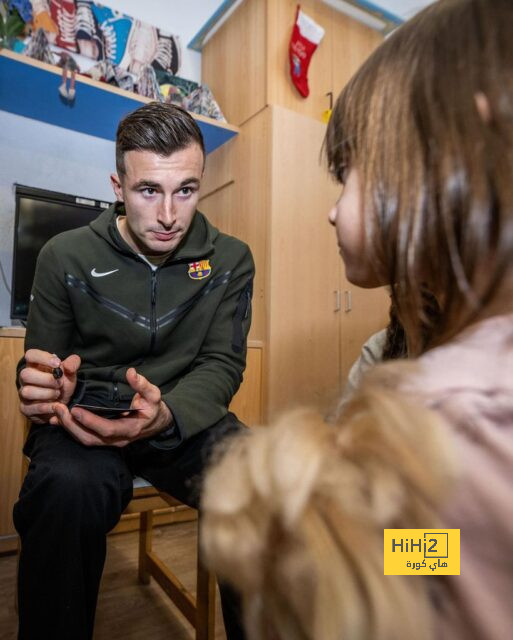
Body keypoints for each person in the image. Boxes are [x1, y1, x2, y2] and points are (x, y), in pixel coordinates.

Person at [200, 1, 513, 639]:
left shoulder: (456, 414)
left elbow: (437, 556)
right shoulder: (396, 356)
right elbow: (458, 551)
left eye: (347, 175)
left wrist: (326, 531)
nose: (332, 213)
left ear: (450, 154)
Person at [14, 102, 254, 640]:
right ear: (118, 186)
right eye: (149, 190)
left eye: (186, 190)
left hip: (181, 420)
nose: (169, 214)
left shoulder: (232, 260)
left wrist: (165, 412)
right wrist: (43, 385)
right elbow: (41, 364)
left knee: (261, 480)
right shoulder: (62, 255)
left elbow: (221, 363)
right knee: (62, 492)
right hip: (87, 421)